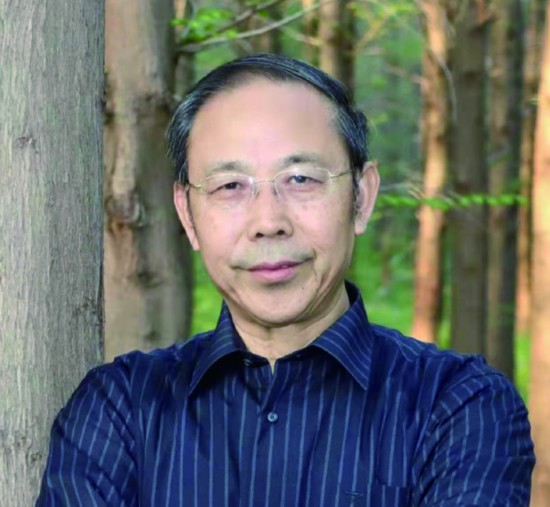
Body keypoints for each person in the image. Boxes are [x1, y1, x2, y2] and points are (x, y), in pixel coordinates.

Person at [37, 53, 535, 506]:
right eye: (230, 186)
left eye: (301, 179)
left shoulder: (459, 407)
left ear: (361, 197)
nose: (268, 221)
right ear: (187, 215)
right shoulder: (120, 408)